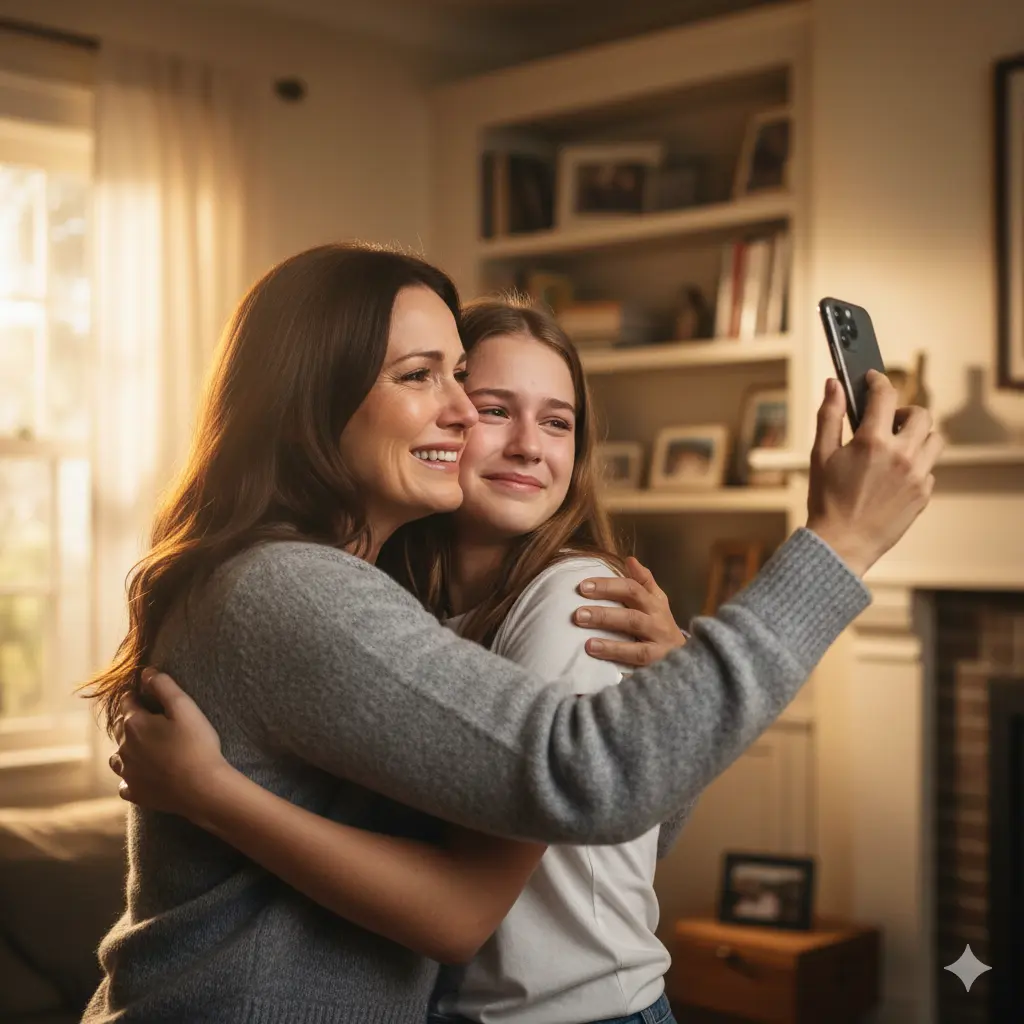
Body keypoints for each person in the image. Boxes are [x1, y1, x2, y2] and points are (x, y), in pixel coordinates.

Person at [84, 242, 941, 1023]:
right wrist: (839, 545)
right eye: (427, 377)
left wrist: (672, 686)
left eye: (463, 381)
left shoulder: (480, 594)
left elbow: (606, 831)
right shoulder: (297, 589)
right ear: (315, 396)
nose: (463, 416)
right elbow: (581, 786)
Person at [109, 297, 692, 1024]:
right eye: (492, 409)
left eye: (557, 422)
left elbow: (606, 804)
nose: (528, 446)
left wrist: (682, 692)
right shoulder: (384, 604)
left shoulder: (576, 597)